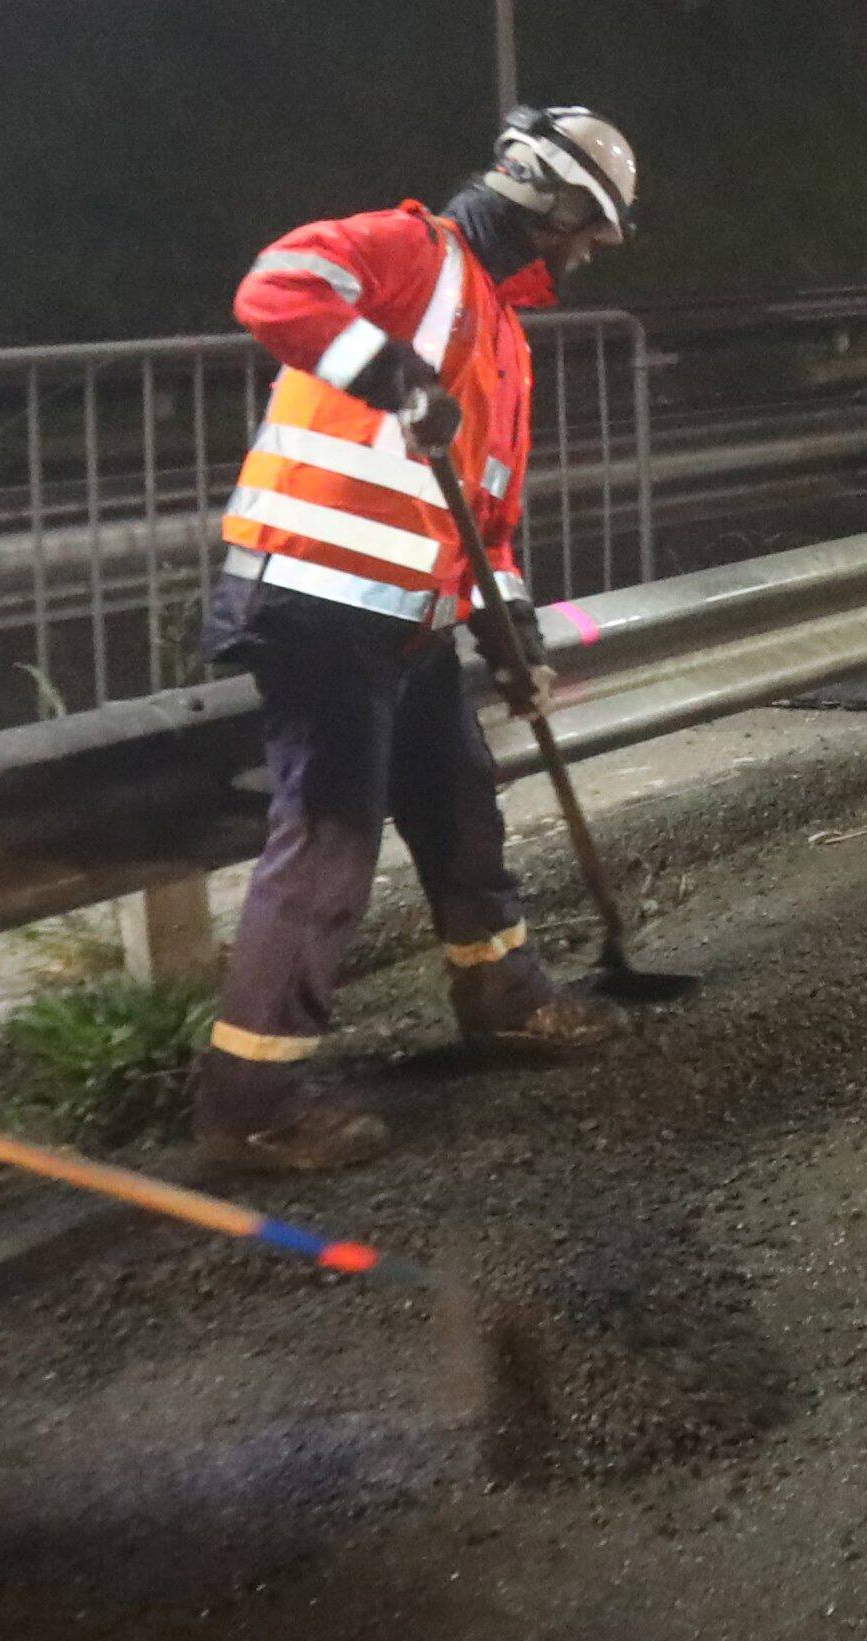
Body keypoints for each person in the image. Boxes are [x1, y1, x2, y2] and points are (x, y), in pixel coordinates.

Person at [197, 106, 647, 1175]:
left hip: (412, 619)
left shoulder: (502, 337)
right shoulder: (410, 253)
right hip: (314, 605)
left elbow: (485, 517)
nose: (587, 251)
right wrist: (391, 374)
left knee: (459, 808)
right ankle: (248, 1104)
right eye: (589, 227)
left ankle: (501, 994)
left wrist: (512, 636)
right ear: (550, 199)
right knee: (330, 846)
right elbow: (274, 288)